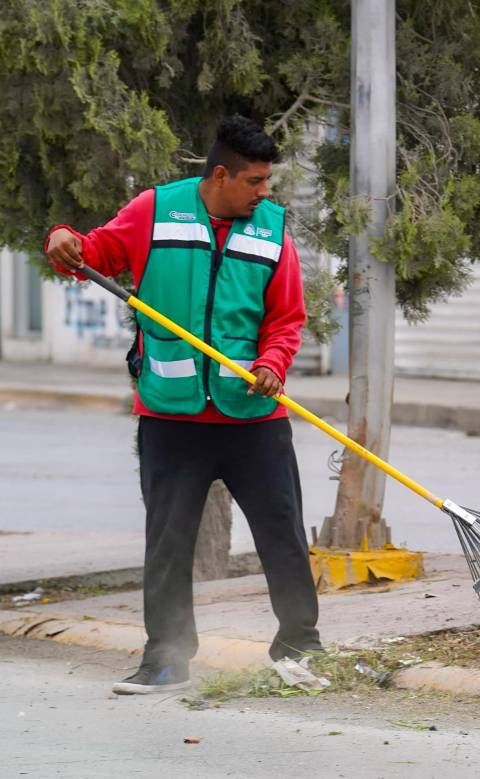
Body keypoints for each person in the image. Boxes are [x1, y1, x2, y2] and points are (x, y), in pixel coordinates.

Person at [45, 116, 321, 694]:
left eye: (268, 182)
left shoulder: (272, 229)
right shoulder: (154, 210)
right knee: (168, 541)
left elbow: (286, 319)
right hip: (171, 417)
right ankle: (166, 659)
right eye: (256, 182)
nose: (264, 193)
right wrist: (62, 238)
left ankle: (301, 647)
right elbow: (87, 253)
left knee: (282, 535)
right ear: (221, 175)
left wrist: (273, 364)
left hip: (252, 417)